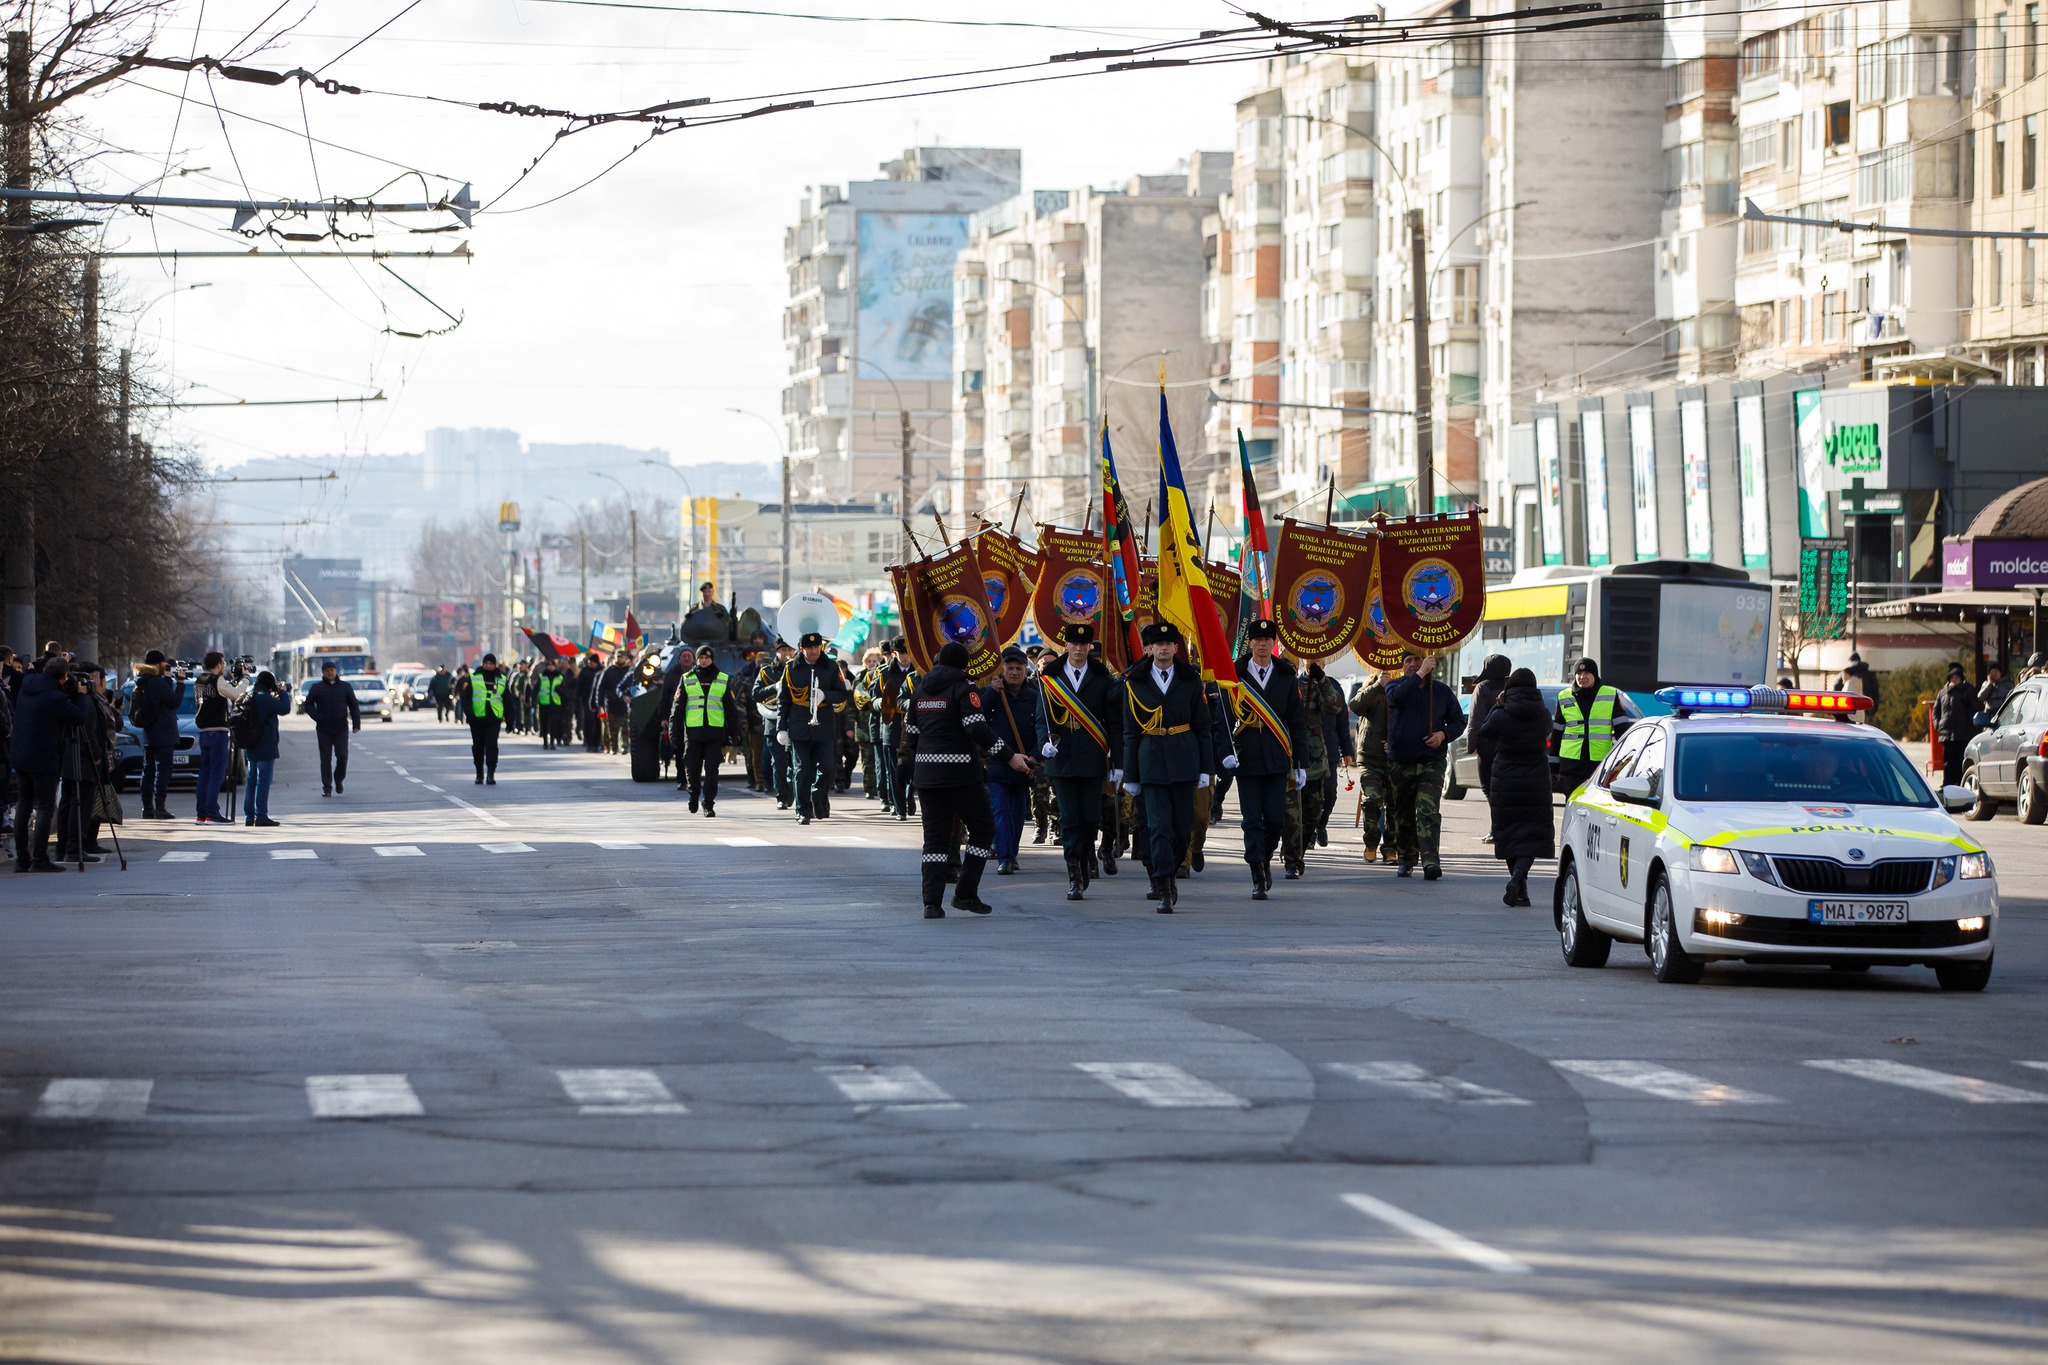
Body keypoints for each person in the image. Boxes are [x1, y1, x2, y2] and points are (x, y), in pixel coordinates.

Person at [1120, 621, 1214, 912]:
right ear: (1149, 649)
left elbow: (1203, 727)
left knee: (1182, 828)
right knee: (1158, 826)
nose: (1163, 648)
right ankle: (1162, 884)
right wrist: (1130, 774)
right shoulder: (1135, 682)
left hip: (1184, 760)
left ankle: (1170, 871)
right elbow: (1130, 732)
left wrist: (1205, 769)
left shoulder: (1189, 680)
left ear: (1176, 648)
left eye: (1168, 644)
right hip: (1151, 761)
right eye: (1157, 644)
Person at [903, 640, 1001, 918]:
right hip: (961, 776)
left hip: (927, 777)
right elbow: (976, 729)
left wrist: (912, 768)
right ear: (963, 665)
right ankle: (965, 894)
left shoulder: (920, 690)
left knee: (934, 841)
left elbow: (910, 735)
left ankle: (931, 903)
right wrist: (1009, 755)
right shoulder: (965, 688)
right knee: (983, 830)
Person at [1034, 623, 1123, 901]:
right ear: (1066, 647)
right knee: (1069, 818)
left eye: (1084, 646)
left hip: (1092, 756)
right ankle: (1074, 874)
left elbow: (1115, 723)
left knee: (1090, 818)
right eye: (1074, 645)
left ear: (1089, 648)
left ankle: (1085, 859)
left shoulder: (1101, 678)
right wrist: (1043, 744)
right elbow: (1041, 718)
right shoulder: (1050, 677)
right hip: (1062, 758)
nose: (1080, 649)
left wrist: (1117, 761)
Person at [1226, 619, 1307, 901]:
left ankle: (1266, 857)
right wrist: (1226, 750)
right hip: (1246, 755)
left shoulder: (1285, 675)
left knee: (1274, 819)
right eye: (1257, 639)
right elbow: (1223, 717)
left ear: (1274, 644)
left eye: (1267, 640)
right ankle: (1256, 872)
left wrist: (1300, 762)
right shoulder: (1234, 675)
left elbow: (1296, 721)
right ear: (1250, 643)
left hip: (1276, 755)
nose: (1262, 644)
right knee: (1251, 819)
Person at [1385, 651, 1466, 880]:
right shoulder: (1395, 686)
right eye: (1408, 661)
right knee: (1404, 813)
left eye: (1418, 660)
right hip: (1401, 762)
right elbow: (1396, 699)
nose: (1413, 664)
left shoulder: (1440, 691)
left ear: (1428, 661)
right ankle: (1406, 858)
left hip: (1431, 761)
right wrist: (1419, 674)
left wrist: (1443, 734)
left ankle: (1430, 860)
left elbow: (1459, 721)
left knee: (1428, 811)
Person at [1478, 667, 1553, 906]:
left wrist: (1497, 706)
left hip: (1506, 780)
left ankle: (1517, 880)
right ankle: (1520, 882)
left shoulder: (1502, 712)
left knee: (1510, 833)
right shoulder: (1543, 714)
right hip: (1536, 780)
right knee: (1531, 834)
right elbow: (1547, 733)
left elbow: (1485, 732)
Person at [12, 657, 89, 870]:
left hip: (21, 755)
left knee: (24, 806)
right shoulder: (55, 697)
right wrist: (80, 696)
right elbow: (78, 717)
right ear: (63, 677)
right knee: (45, 807)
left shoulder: (27, 685)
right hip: (44, 758)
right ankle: (40, 859)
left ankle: (21, 859)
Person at [980, 645, 1042, 875]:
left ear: (1026, 670)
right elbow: (977, 721)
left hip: (1024, 767)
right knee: (1000, 812)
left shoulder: (1034, 697)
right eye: (1009, 668)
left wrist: (1034, 756)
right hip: (998, 764)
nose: (1014, 672)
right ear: (1002, 670)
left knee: (1017, 815)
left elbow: (1042, 731)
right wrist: (990, 693)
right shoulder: (994, 695)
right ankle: (1004, 858)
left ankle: (1011, 853)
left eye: (1018, 668)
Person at [777, 632, 849, 825]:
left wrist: (825, 695)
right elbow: (783, 700)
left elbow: (842, 694)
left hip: (824, 726)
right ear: (802, 649)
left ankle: (816, 795)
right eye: (810, 648)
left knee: (827, 768)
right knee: (801, 771)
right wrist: (781, 728)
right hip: (799, 726)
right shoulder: (791, 668)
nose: (814, 651)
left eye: (817, 647)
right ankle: (803, 811)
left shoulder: (831, 667)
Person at [55, 662, 120, 864]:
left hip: (70, 758)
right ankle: (74, 847)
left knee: (69, 801)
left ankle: (64, 846)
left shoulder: (73, 699)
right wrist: (96, 755)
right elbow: (89, 730)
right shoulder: (85, 702)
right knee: (79, 804)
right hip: (83, 760)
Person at [670, 645, 738, 815]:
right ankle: (693, 796)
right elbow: (677, 708)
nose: (703, 660)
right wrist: (674, 732)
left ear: (712, 659)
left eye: (707, 658)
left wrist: (735, 732)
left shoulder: (722, 679)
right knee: (691, 767)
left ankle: (708, 804)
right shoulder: (686, 678)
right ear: (697, 659)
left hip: (714, 734)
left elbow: (731, 709)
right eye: (700, 657)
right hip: (693, 733)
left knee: (712, 771)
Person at [1551, 656, 1623, 796]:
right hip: (1571, 765)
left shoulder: (1610, 695)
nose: (1582, 677)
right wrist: (1553, 766)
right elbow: (1557, 732)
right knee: (1572, 804)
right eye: (1579, 673)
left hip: (1599, 764)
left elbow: (1622, 730)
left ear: (1595, 675)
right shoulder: (1563, 696)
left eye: (1587, 673)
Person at [192, 653, 249, 825]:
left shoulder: (199, 680)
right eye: (223, 663)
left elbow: (221, 692)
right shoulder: (216, 680)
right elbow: (237, 694)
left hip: (203, 731)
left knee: (205, 774)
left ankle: (201, 813)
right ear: (218, 664)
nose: (224, 666)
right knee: (216, 774)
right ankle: (212, 813)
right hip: (217, 731)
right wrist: (245, 677)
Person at [130, 649, 186, 820]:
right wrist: (180, 683)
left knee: (148, 769)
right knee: (164, 769)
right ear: (158, 663)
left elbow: (164, 700)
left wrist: (167, 678)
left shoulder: (142, 681)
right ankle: (160, 807)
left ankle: (147, 808)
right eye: (163, 663)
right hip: (163, 731)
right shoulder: (157, 682)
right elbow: (174, 701)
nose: (165, 665)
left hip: (149, 731)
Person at [1347, 668, 1395, 864]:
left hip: (1394, 757)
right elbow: (1356, 705)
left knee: (1394, 804)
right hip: (1370, 756)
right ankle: (1371, 841)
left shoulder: (1404, 685)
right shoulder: (1369, 684)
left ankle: (1391, 847)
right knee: (1371, 800)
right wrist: (1378, 685)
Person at [238, 670, 294, 827]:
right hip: (265, 744)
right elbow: (284, 708)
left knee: (251, 780)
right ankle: (261, 815)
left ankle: (249, 816)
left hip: (251, 743)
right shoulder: (264, 698)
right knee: (263, 781)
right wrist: (283, 693)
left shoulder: (250, 695)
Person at [300, 661, 361, 797]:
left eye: (332, 670)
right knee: (325, 758)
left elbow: (353, 705)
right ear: (323, 672)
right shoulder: (317, 687)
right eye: (327, 670)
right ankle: (327, 786)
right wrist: (317, 717)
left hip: (341, 728)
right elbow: (308, 705)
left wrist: (356, 724)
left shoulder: (345, 687)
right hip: (323, 729)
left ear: (336, 671)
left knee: (342, 756)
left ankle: (338, 779)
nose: (330, 672)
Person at [1466, 654, 1512, 799]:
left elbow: (1476, 719)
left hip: (1488, 747)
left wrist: (1471, 746)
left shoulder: (1482, 687)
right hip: (1510, 746)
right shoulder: (1512, 686)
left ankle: (1498, 820)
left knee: (1489, 788)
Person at [458, 653, 507, 784]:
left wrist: (510, 720)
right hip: (477, 719)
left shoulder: (501, 679)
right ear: (483, 664)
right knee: (478, 746)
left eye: (491, 663)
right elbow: (465, 698)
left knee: (491, 745)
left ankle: (491, 773)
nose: (489, 666)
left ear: (495, 664)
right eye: (487, 663)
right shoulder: (474, 678)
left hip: (494, 718)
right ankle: (479, 772)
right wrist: (470, 714)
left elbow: (507, 699)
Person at [1933, 662, 1980, 787]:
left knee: (1960, 760)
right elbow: (1936, 711)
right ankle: (1947, 784)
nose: (1954, 680)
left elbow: (1978, 706)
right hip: (1946, 733)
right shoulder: (1942, 693)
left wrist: (1968, 701)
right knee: (1948, 762)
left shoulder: (1968, 691)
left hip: (1963, 734)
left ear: (1961, 678)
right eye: (1952, 677)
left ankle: (1960, 784)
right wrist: (1938, 726)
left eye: (1957, 677)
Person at [535, 659, 564, 749]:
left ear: (555, 667)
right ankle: (545, 742)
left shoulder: (560, 677)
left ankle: (552, 742)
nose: (551, 667)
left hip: (555, 704)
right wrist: (534, 699)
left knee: (554, 724)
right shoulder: (542, 677)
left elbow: (565, 691)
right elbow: (536, 689)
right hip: (544, 703)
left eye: (552, 666)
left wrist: (560, 690)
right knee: (544, 724)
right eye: (549, 666)